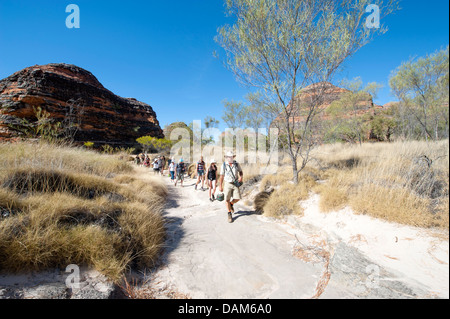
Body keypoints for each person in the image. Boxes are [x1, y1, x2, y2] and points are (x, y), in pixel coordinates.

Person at [219, 151, 243, 223]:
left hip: (235, 183)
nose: (229, 158)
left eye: (231, 156)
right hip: (227, 183)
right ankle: (229, 213)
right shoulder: (224, 165)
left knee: (238, 198)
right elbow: (221, 176)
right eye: (228, 157)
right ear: (226, 157)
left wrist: (241, 177)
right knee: (227, 199)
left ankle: (231, 204)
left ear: (233, 157)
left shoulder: (236, 164)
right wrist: (220, 185)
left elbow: (240, 171)